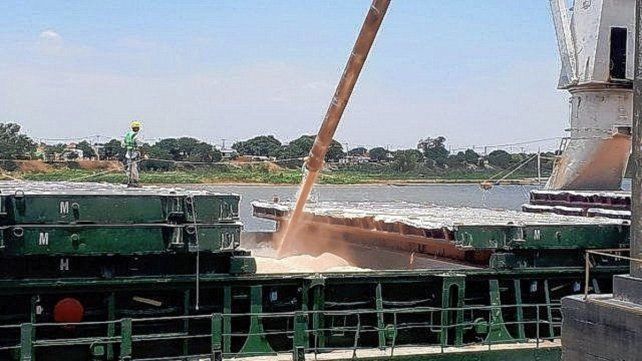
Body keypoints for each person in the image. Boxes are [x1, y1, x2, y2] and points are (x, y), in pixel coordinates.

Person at [123, 121, 142, 187]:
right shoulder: (136, 136)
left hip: (128, 153)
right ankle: (135, 181)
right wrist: (144, 154)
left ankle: (129, 180)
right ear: (138, 128)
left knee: (129, 167)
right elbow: (140, 145)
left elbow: (123, 144)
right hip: (134, 154)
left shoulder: (128, 135)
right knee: (134, 167)